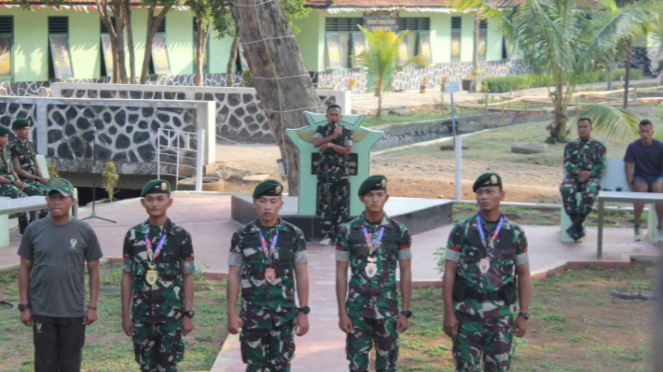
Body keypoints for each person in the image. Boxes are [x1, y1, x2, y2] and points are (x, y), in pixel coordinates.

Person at [443, 173, 531, 372]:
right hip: (467, 314)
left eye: (490, 192)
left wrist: (523, 314)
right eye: (480, 192)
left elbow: (524, 274)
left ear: (502, 195)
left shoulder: (515, 232)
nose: (484, 197)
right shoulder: (462, 230)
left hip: (501, 315)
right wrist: (449, 313)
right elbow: (449, 271)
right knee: (465, 367)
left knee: (499, 367)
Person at [18, 178, 103, 372]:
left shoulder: (84, 231)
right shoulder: (34, 229)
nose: (57, 202)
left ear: (72, 201)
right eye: (52, 197)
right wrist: (24, 305)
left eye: (62, 198)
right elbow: (24, 269)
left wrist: (92, 306)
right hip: (42, 309)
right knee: (44, 363)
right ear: (46, 201)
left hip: (73, 311)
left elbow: (94, 269)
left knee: (70, 364)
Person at [227, 179, 310, 372]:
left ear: (281, 204)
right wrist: (231, 311)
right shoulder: (242, 235)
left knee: (281, 366)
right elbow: (234, 274)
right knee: (254, 366)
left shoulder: (294, 234)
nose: (267, 206)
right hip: (252, 315)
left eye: (273, 201)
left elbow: (302, 273)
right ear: (254, 203)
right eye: (263, 201)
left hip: (284, 315)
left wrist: (303, 311)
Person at [336, 175, 413, 372]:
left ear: (386, 197)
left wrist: (404, 311)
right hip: (357, 310)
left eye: (379, 195)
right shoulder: (347, 231)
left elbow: (405, 271)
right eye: (370, 195)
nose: (375, 199)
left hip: (387, 309)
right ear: (362, 198)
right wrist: (342, 312)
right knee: (357, 365)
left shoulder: (399, 231)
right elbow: (341, 272)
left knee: (387, 365)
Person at [121, 179, 196, 372]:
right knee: (146, 365)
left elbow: (188, 276)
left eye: (160, 199)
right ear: (142, 203)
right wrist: (125, 315)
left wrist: (188, 313)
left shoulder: (181, 236)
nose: (155, 204)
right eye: (150, 199)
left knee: (169, 365)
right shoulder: (133, 235)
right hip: (142, 315)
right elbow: (127, 276)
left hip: (171, 315)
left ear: (169, 202)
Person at [559, 117, 607, 241]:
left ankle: (575, 226)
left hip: (591, 177)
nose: (582, 129)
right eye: (580, 127)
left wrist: (589, 174)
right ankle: (577, 227)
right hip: (574, 177)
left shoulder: (599, 145)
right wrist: (579, 172)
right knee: (566, 189)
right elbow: (567, 163)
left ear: (591, 128)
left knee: (590, 191)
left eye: (585, 127)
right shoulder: (571, 145)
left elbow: (602, 165)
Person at [313, 104, 353, 246]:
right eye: (331, 114)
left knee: (342, 204)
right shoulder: (321, 130)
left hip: (341, 173)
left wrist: (332, 145)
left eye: (336, 115)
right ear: (327, 116)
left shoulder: (347, 131)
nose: (334, 117)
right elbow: (316, 143)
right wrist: (332, 137)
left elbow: (347, 150)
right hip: (325, 173)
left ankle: (341, 235)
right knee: (326, 204)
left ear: (340, 117)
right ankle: (326, 234)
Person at [623, 119, 663, 242]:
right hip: (641, 177)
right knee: (641, 190)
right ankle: (637, 225)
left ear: (652, 132)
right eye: (643, 131)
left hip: (657, 176)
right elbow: (628, 168)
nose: (645, 134)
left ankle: (660, 227)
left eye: (647, 131)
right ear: (639, 132)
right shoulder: (633, 146)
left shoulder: (660, 146)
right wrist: (631, 186)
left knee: (659, 190)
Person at [11, 118, 49, 231]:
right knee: (37, 193)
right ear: (16, 131)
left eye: (28, 129)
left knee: (48, 193)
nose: (27, 132)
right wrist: (37, 178)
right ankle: (28, 228)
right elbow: (17, 169)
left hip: (34, 179)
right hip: (24, 180)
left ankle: (39, 224)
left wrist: (41, 178)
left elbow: (36, 165)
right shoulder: (14, 147)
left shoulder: (30, 145)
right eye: (24, 129)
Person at [0, 123, 34, 234]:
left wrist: (17, 180)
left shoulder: (5, 151)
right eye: (3, 136)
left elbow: (12, 169)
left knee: (33, 193)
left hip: (10, 181)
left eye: (6, 136)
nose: (6, 139)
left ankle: (35, 226)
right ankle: (25, 229)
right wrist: (13, 182)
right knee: (22, 197)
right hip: (3, 184)